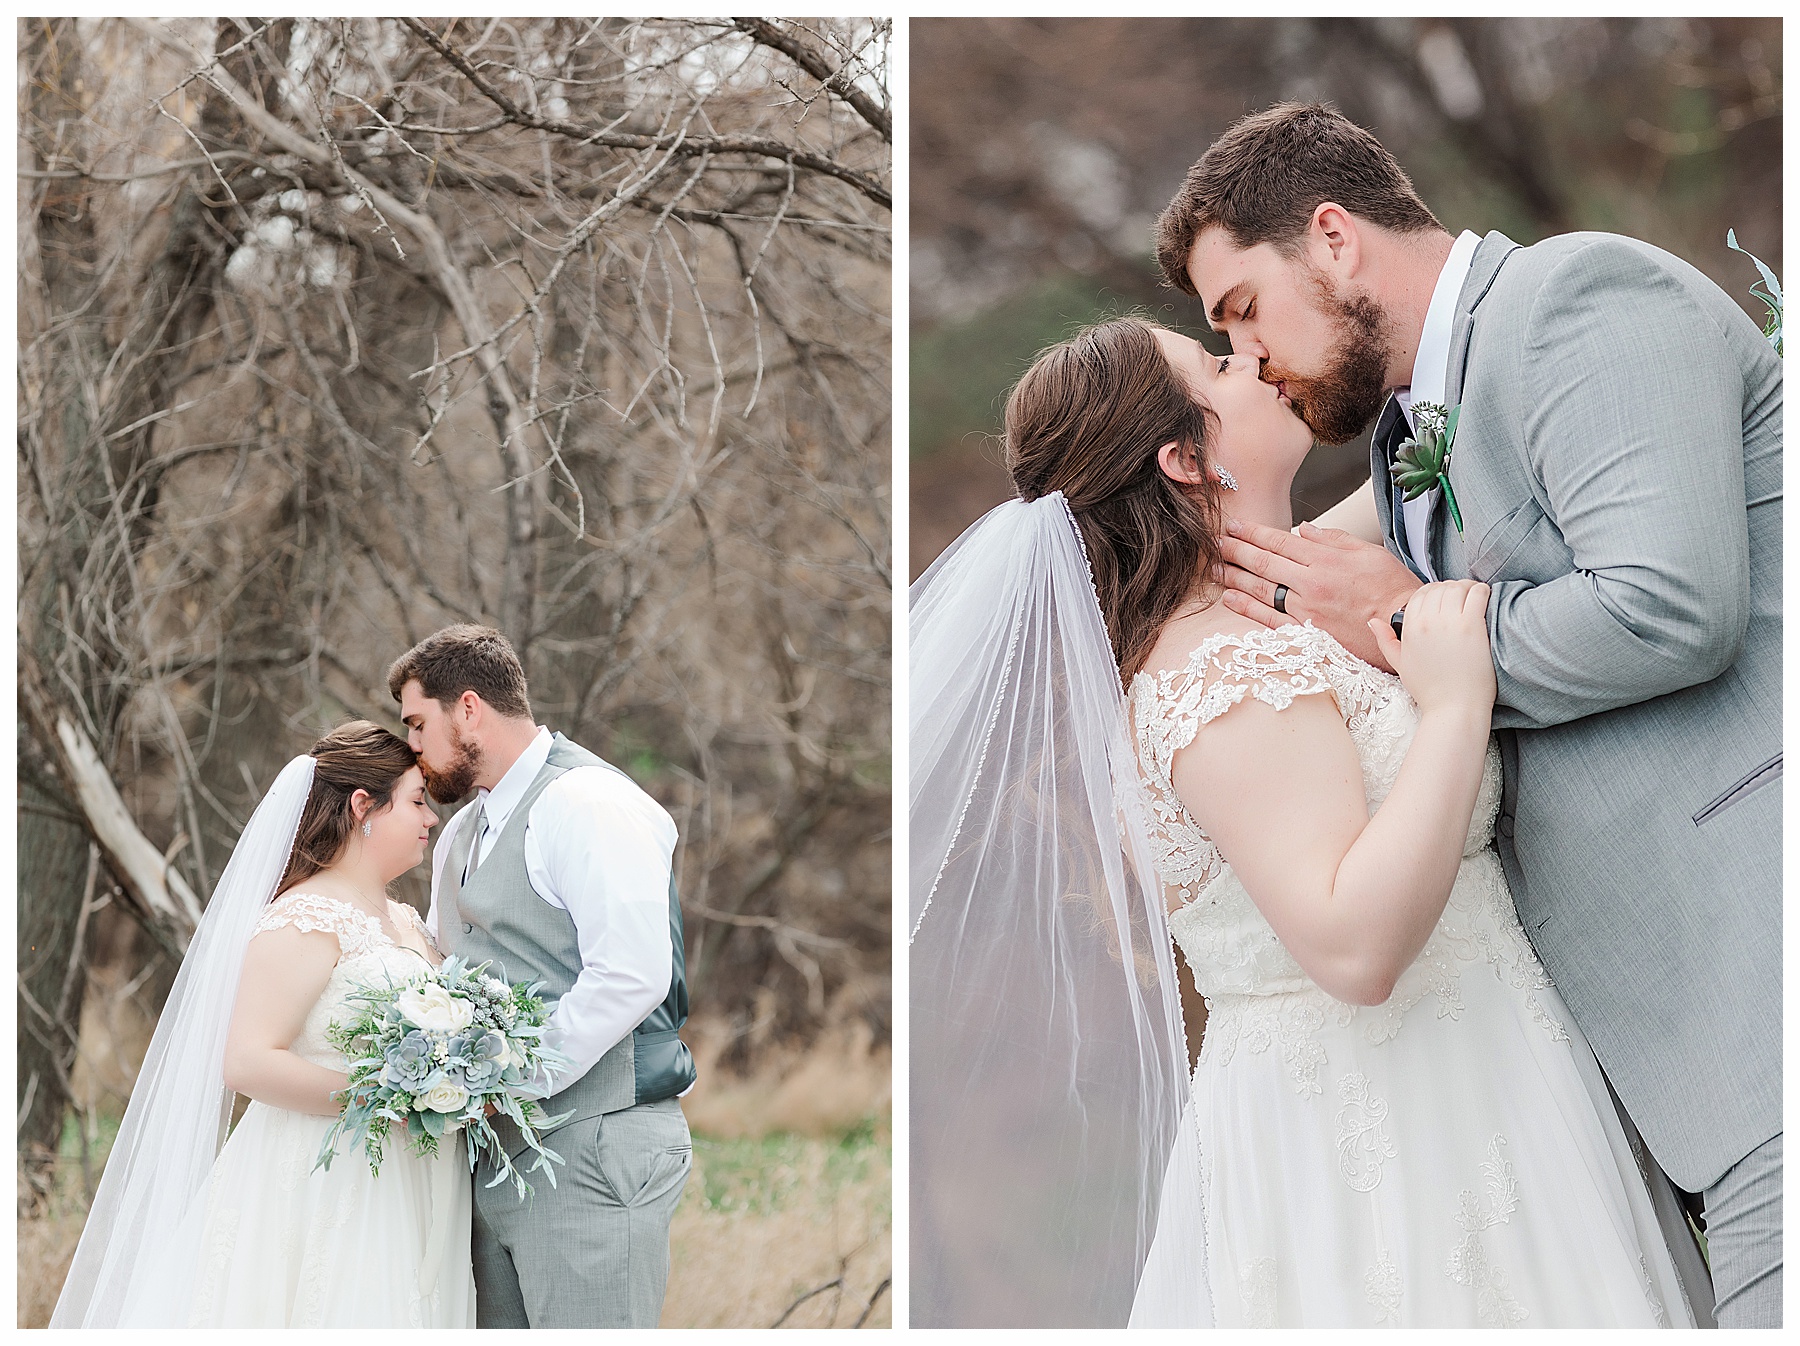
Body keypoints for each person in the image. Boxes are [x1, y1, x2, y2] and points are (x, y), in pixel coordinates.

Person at [911, 316, 1699, 1326]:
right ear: (1183, 456)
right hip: (1400, 1125)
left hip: (1485, 1073)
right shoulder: (1223, 672)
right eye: (1216, 363)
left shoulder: (1273, 604)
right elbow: (1352, 944)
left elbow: (1436, 444)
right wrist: (1456, 708)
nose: (1249, 359)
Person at [1158, 102, 1780, 1327]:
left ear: (1333, 238)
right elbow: (1301, 572)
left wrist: (1430, 627)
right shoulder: (1409, 441)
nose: (1250, 354)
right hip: (1650, 1090)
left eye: (1241, 311)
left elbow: (1671, 605)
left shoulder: (1579, 300)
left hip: (1762, 993)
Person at [52, 722, 476, 1327]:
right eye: (415, 802)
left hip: (415, 1176)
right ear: (363, 808)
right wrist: (384, 1096)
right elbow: (248, 1060)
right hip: (324, 1176)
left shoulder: (408, 919)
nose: (431, 820)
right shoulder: (303, 917)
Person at [388, 624, 696, 1329]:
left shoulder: (585, 802)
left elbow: (632, 973)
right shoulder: (462, 834)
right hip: (492, 1161)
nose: (411, 745)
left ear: (468, 709)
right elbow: (445, 969)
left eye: (416, 723)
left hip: (595, 1145)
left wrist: (509, 1084)